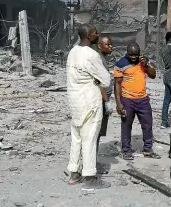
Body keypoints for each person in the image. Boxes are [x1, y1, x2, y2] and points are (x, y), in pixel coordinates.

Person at [66, 24, 111, 190]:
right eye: (95, 32)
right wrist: (96, 80)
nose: (98, 34)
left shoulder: (72, 52)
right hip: (90, 101)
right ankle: (90, 178)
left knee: (76, 137)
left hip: (75, 100)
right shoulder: (91, 55)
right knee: (90, 138)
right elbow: (106, 80)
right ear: (89, 36)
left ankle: (74, 173)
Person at [114, 42, 161, 160]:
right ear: (127, 53)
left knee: (147, 125)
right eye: (131, 55)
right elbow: (117, 84)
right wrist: (118, 103)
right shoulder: (120, 64)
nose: (134, 57)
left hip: (143, 99)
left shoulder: (144, 61)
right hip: (127, 100)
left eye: (136, 55)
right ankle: (126, 150)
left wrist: (145, 65)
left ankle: (148, 150)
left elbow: (153, 75)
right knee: (126, 126)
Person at [94, 35, 114, 162]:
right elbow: (98, 83)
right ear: (100, 46)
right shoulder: (98, 60)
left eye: (111, 44)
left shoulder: (103, 59)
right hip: (99, 101)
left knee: (98, 134)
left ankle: (92, 163)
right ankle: (91, 165)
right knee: (95, 134)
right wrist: (106, 101)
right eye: (108, 45)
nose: (111, 46)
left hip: (102, 99)